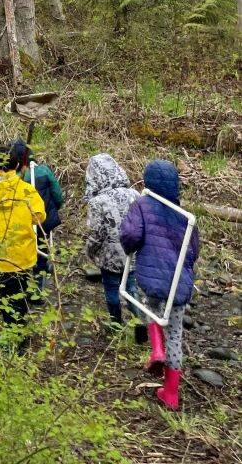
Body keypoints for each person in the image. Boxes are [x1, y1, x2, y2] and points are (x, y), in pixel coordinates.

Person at [120, 159, 200, 412]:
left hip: (152, 277)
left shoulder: (142, 205)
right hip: (179, 282)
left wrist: (130, 249)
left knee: (150, 306)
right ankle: (172, 394)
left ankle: (156, 350)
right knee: (175, 334)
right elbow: (193, 250)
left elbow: (131, 235)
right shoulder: (184, 216)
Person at [0, 145, 45, 345]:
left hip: (0, 254)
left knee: (5, 296)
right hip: (24, 255)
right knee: (21, 293)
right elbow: (39, 215)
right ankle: (21, 334)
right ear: (17, 165)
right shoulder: (26, 190)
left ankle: (10, 336)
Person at [84, 154, 146, 343]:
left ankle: (116, 325)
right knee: (131, 288)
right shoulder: (135, 194)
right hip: (132, 254)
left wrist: (90, 252)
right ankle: (139, 323)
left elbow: (96, 233)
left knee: (111, 291)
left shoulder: (97, 202)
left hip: (109, 257)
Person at [10, 140, 64, 298]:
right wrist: (54, 208)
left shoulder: (15, 177)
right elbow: (57, 195)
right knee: (42, 253)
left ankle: (23, 289)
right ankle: (38, 291)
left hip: (22, 222)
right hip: (44, 221)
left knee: (23, 252)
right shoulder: (44, 171)